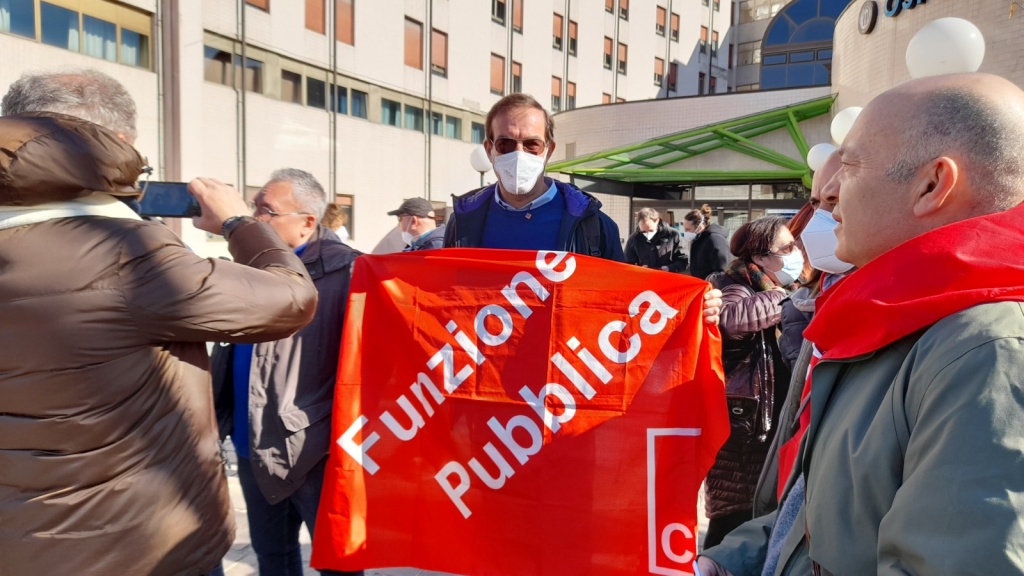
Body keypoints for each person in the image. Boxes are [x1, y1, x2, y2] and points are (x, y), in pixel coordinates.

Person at [699, 72, 1024, 575]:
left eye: (849, 166)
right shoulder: (893, 316)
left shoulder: (986, 349)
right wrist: (727, 563)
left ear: (933, 185)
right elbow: (813, 520)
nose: (826, 192)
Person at [0, 70, 318, 575]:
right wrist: (241, 223)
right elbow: (291, 298)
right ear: (119, 142)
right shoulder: (124, 252)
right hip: (136, 546)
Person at [210, 168, 362, 576]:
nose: (252, 220)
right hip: (251, 446)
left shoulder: (350, 274)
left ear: (307, 222)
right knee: (273, 559)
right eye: (253, 208)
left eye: (266, 212)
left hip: (317, 454)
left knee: (339, 565)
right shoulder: (244, 268)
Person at [701, 217, 797, 549]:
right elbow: (728, 321)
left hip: (760, 418)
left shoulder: (770, 286)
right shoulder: (734, 283)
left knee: (755, 513)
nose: (795, 253)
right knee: (735, 513)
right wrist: (785, 300)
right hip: (744, 422)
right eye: (786, 248)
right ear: (759, 258)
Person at [443, 93, 624, 260]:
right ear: (489, 150)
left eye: (532, 144)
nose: (519, 154)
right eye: (505, 144)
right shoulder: (462, 224)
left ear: (548, 151)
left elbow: (617, 293)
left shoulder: (595, 226)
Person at [623, 207, 688, 272]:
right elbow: (627, 263)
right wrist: (638, 269)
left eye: (651, 230)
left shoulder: (673, 235)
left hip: (668, 279)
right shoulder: (634, 238)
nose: (648, 235)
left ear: (657, 221)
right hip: (644, 279)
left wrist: (669, 268)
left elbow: (684, 260)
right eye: (643, 232)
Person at [685, 204, 730, 280]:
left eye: (688, 229)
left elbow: (722, 270)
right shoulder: (700, 240)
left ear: (699, 226)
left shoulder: (715, 239)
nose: (685, 232)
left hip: (711, 288)